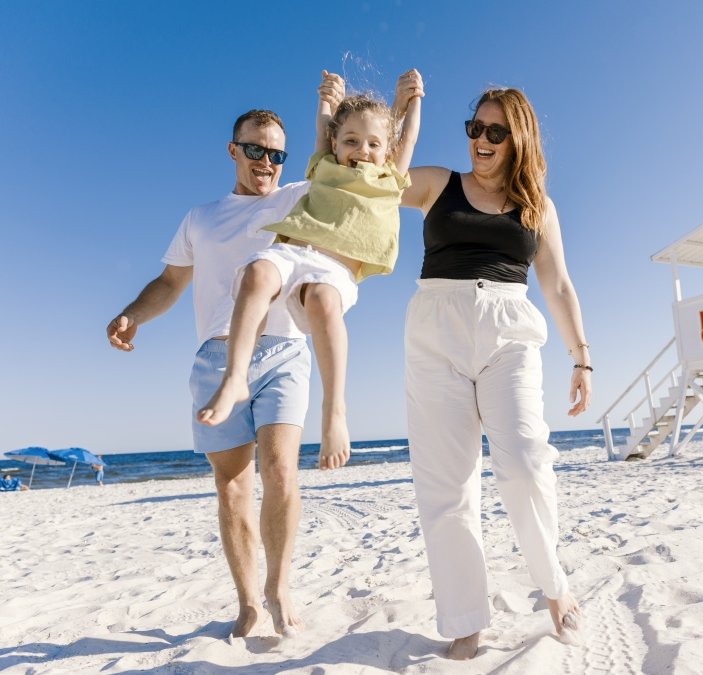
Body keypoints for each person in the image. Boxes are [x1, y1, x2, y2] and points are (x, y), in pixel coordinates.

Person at [105, 82, 345, 638]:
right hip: (216, 360)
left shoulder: (299, 197)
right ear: (233, 149)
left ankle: (279, 587)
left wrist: (330, 108)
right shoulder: (201, 217)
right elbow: (170, 282)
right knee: (232, 488)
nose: (267, 162)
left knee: (281, 469)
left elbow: (336, 155)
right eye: (256, 149)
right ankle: (248, 603)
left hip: (284, 348)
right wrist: (132, 314)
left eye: (277, 154)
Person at [399, 85, 589, 659]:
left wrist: (580, 355)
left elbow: (558, 285)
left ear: (518, 139)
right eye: (474, 128)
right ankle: (466, 621)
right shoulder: (438, 184)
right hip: (435, 332)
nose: (480, 140)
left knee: (526, 463)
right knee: (447, 484)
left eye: (495, 132)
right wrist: (406, 112)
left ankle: (553, 584)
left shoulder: (538, 207)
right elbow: (379, 180)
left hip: (509, 331)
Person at [197, 69, 423, 474]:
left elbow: (405, 137)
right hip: (294, 250)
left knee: (321, 300)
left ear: (386, 149)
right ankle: (235, 376)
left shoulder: (390, 178)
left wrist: (409, 101)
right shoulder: (324, 165)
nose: (362, 150)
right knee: (257, 273)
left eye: (373, 144)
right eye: (350, 140)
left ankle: (334, 411)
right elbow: (323, 125)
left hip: (335, 270)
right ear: (335, 143)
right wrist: (325, 100)